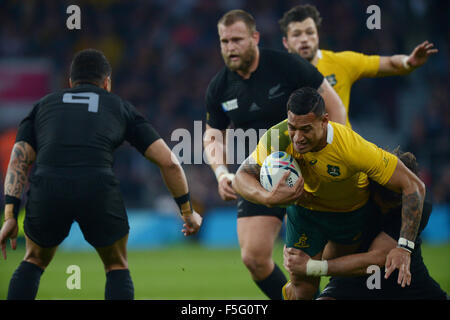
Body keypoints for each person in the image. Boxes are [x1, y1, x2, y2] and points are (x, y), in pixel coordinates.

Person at [0, 49, 202, 300]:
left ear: (71, 83)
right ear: (107, 82)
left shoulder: (42, 106)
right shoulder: (119, 106)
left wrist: (10, 214)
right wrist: (187, 212)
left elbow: (19, 160)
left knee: (33, 260)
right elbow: (169, 163)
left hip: (48, 187)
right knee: (116, 265)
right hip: (97, 187)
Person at [203, 9, 347, 300]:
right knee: (253, 258)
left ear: (255, 37)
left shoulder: (288, 66)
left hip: (308, 168)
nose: (230, 47)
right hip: (259, 175)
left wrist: (330, 159)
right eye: (224, 41)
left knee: (330, 252)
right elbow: (212, 136)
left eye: (237, 40)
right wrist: (221, 172)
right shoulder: (219, 87)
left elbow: (336, 109)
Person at [232, 87, 425, 300]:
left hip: (350, 217)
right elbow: (242, 176)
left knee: (338, 275)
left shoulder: (351, 147)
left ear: (324, 121)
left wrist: (405, 248)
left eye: (306, 129)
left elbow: (414, 186)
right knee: (303, 291)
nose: (297, 137)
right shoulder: (278, 137)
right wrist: (267, 197)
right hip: (305, 213)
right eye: (292, 127)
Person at [283, 148, 448, 300]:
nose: (385, 209)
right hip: (352, 278)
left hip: (405, 281)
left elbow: (377, 258)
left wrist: (311, 267)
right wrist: (300, 252)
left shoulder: (416, 206)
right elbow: (330, 251)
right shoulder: (357, 195)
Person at [279, 4, 438, 127]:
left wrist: (407, 62)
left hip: (341, 156)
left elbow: (388, 62)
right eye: (297, 34)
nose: (305, 39)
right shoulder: (276, 74)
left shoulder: (341, 62)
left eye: (309, 32)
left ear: (318, 35)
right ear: (285, 42)